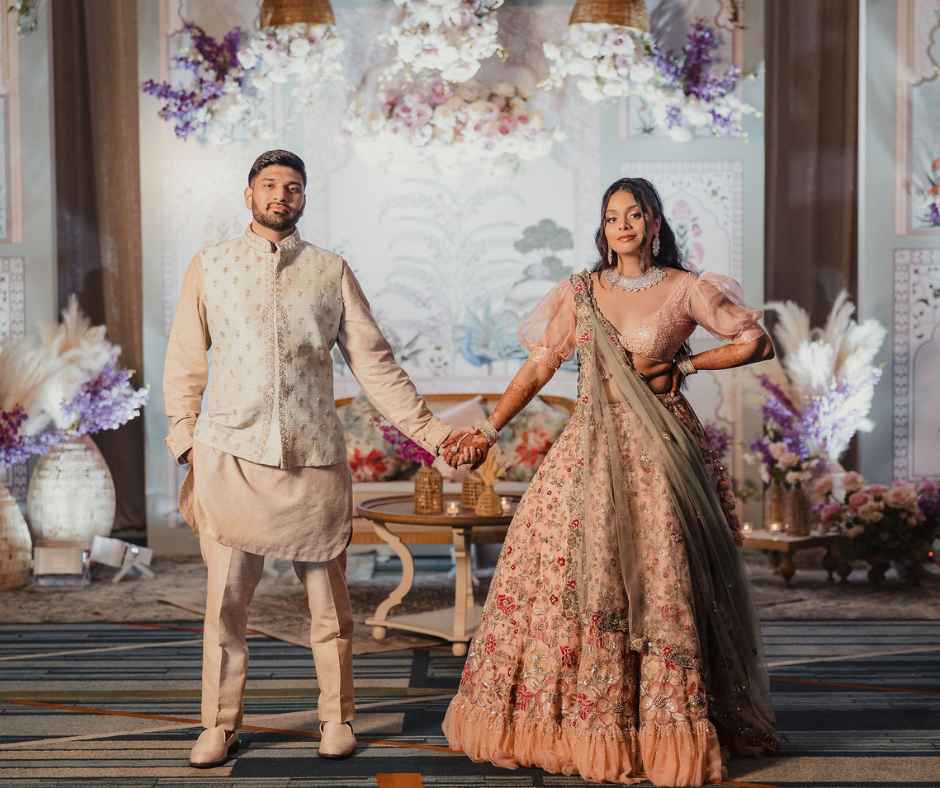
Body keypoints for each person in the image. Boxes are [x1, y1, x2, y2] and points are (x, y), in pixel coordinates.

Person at [441, 178, 778, 786]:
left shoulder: (683, 288)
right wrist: (490, 428)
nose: (622, 224)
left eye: (634, 214)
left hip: (662, 454)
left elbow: (756, 341)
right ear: (603, 227)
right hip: (589, 451)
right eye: (612, 216)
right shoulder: (582, 291)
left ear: (653, 223)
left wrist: (688, 363)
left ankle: (664, 728)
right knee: (574, 574)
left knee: (662, 579)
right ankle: (580, 725)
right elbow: (541, 364)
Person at [163, 149, 468, 768]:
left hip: (312, 457)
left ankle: (337, 716)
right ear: (248, 193)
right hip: (231, 454)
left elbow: (375, 367)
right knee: (225, 604)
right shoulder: (211, 266)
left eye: (294, 188)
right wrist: (187, 440)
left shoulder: (330, 271)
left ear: (305, 199)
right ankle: (219, 725)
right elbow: (185, 362)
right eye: (270, 185)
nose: (282, 196)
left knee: (329, 607)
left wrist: (435, 434)